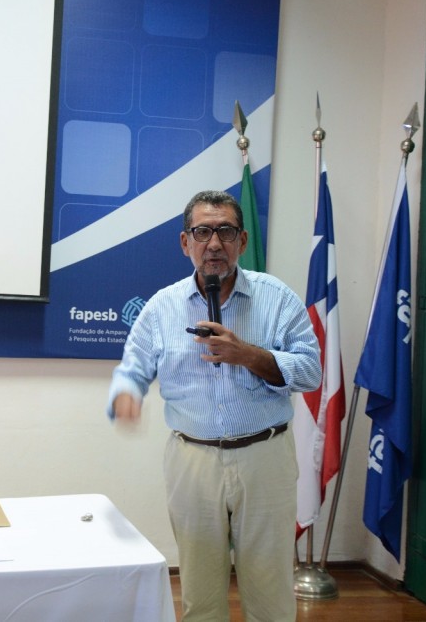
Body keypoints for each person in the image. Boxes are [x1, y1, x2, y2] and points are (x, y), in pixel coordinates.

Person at [107, 190, 321, 622]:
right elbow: (132, 369)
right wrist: (125, 394)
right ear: (185, 242)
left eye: (225, 231)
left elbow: (311, 371)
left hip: (265, 457)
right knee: (200, 594)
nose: (214, 243)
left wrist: (249, 355)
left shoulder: (276, 298)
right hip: (192, 460)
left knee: (270, 593)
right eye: (203, 232)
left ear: (242, 240)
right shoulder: (162, 307)